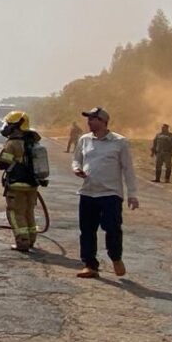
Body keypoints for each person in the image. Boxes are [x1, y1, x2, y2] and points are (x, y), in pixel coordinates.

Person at [71, 107, 138, 279]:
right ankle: (90, 265)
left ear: (103, 122)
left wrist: (132, 194)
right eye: (89, 119)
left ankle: (116, 257)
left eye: (93, 119)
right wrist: (77, 169)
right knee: (86, 230)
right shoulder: (84, 140)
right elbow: (76, 159)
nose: (89, 122)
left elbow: (128, 169)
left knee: (112, 229)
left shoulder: (119, 142)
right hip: (88, 192)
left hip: (110, 194)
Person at [0, 110, 43, 252]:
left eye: (8, 124)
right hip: (32, 185)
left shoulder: (12, 144)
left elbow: (2, 164)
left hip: (16, 185)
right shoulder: (31, 141)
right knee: (28, 212)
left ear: (17, 126)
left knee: (15, 213)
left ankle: (22, 242)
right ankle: (31, 240)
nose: (6, 127)